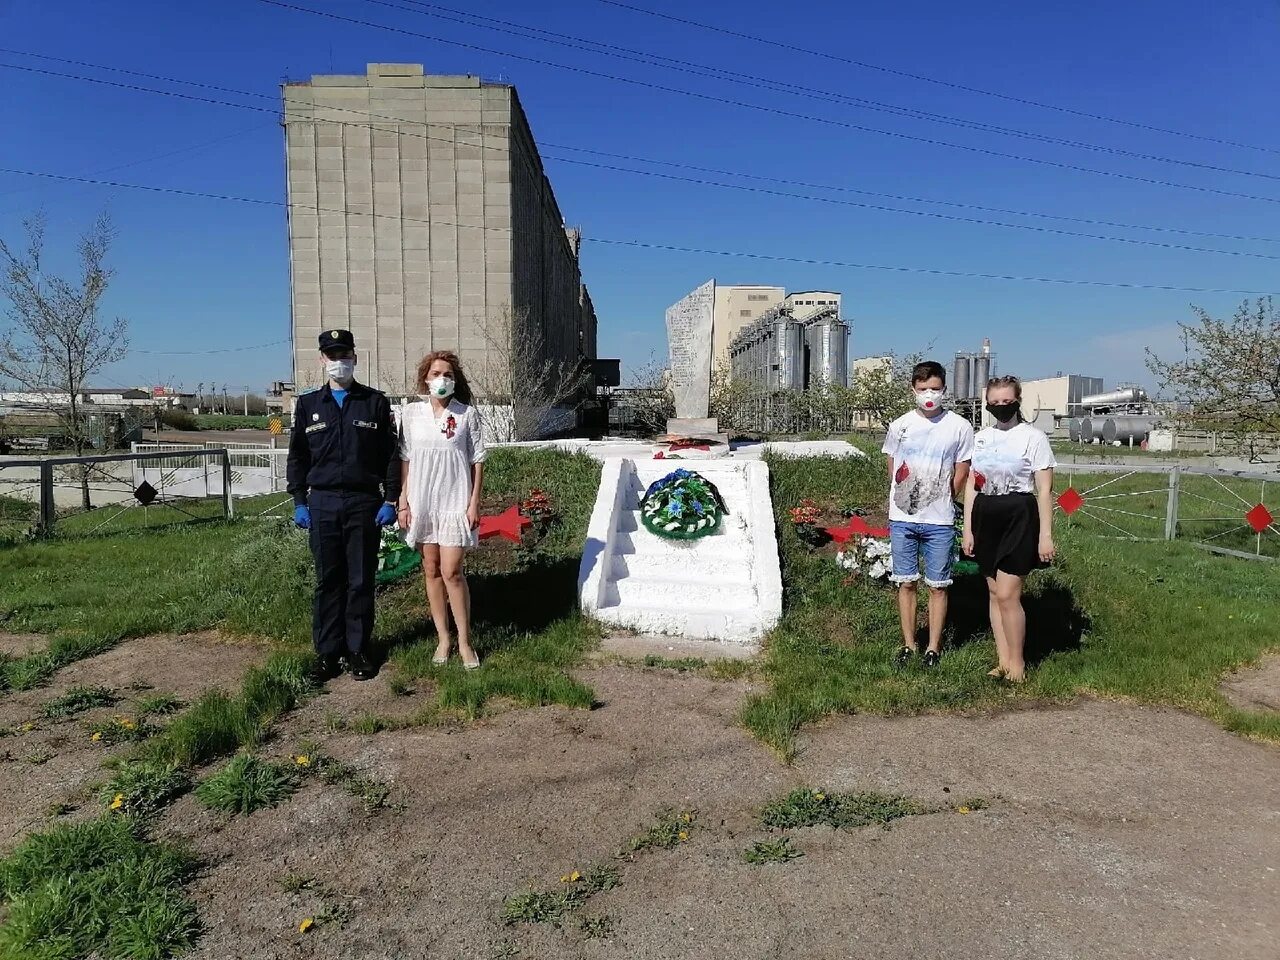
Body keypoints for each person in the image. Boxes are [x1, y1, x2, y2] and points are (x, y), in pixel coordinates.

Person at [287, 330, 401, 682]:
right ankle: (326, 653)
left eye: (344, 354)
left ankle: (358, 650)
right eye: (331, 355)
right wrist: (299, 501)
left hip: (363, 502)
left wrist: (390, 498)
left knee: (360, 579)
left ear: (355, 357)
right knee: (328, 581)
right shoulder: (308, 405)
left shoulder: (374, 402)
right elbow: (298, 457)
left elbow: (391, 456)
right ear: (322, 360)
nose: (339, 361)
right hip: (321, 503)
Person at [962, 375, 1057, 682]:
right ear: (987, 403)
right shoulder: (981, 438)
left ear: (1017, 401)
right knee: (993, 592)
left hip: (1019, 515)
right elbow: (972, 486)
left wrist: (1045, 536)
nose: (1001, 407)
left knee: (1007, 594)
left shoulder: (1033, 438)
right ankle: (1002, 661)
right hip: (986, 514)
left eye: (1006, 401)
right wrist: (967, 529)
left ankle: (1017, 665)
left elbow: (1044, 490)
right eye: (995, 402)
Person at [396, 351, 486, 669]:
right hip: (421, 502)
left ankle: (464, 641)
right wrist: (403, 501)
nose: (441, 379)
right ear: (426, 378)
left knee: (452, 571)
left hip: (454, 502)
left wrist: (474, 503)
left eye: (447, 374)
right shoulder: (411, 413)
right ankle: (443, 638)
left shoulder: (466, 415)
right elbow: (405, 459)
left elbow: (477, 461)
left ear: (455, 380)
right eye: (436, 373)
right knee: (431, 570)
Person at [881, 360, 974, 668]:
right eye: (923, 389)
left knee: (938, 585)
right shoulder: (900, 425)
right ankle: (908, 645)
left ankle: (933, 647)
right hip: (903, 519)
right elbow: (892, 463)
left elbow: (963, 468)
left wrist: (948, 495)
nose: (929, 394)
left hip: (939, 521)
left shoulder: (959, 427)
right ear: (913, 390)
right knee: (906, 583)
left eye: (934, 388)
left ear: (944, 389)